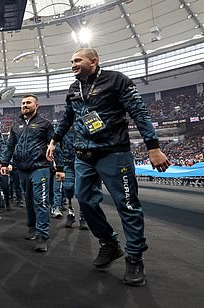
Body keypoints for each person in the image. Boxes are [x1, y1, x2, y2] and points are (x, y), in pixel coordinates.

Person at [46, 48, 170, 287]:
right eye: (71, 61)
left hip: (114, 153)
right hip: (84, 156)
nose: (72, 64)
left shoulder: (116, 80)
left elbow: (139, 112)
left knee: (128, 205)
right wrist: (55, 140)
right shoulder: (74, 89)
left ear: (93, 61)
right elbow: (67, 118)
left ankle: (134, 257)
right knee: (84, 200)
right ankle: (110, 243)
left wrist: (153, 147)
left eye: (77, 60)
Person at [0, 94, 54, 252]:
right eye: (23, 103)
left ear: (37, 106)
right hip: (22, 168)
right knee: (29, 200)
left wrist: (60, 168)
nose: (25, 105)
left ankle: (42, 236)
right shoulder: (16, 125)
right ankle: (32, 226)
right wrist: (4, 162)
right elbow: (10, 146)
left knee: (41, 201)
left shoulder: (46, 124)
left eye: (28, 103)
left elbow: (54, 146)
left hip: (40, 167)